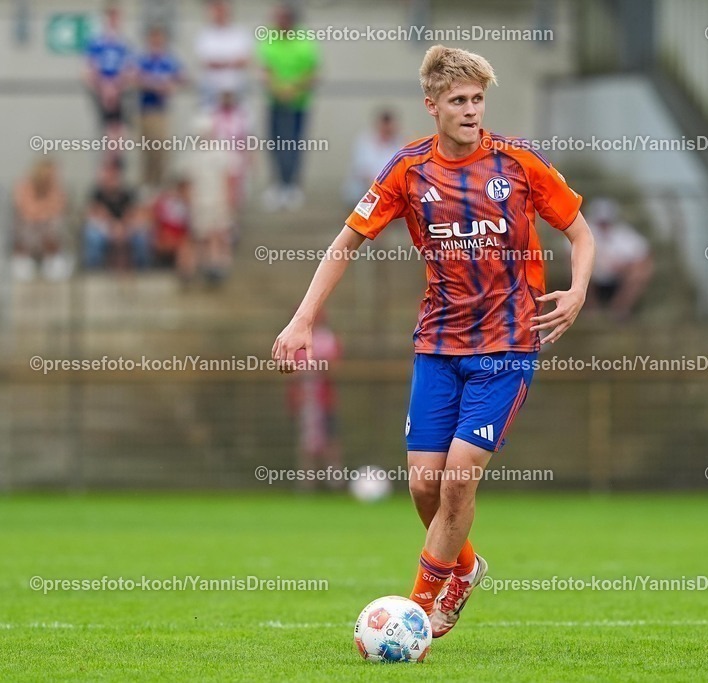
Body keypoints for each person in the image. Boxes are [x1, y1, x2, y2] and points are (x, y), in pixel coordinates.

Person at [272, 45, 595, 638]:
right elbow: (345, 243)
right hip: (439, 347)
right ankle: (465, 568)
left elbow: (578, 229)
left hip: (507, 346)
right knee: (424, 482)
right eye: (459, 101)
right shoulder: (407, 169)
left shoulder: (519, 164)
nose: (472, 111)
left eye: (478, 99)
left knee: (460, 475)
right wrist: (303, 319)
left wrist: (576, 292)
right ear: (433, 107)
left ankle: (415, 613)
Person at [257, 3, 320, 211]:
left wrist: (293, 89)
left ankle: (292, 186)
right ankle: (277, 185)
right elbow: (264, 68)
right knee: (275, 144)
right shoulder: (269, 36)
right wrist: (277, 89)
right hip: (275, 102)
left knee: (293, 145)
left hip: (298, 104)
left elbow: (313, 72)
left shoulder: (304, 39)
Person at [287, 312, 343, 490]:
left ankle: (335, 483)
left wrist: (320, 366)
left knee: (331, 441)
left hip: (324, 400)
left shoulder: (328, 339)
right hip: (306, 401)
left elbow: (335, 367)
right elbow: (290, 369)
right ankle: (307, 484)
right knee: (306, 444)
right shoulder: (295, 339)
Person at [185, 115, 234, 286]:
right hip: (200, 203)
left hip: (217, 201)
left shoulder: (220, 153)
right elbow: (190, 183)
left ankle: (219, 265)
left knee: (219, 233)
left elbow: (227, 179)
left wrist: (228, 201)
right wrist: (191, 203)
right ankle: (204, 266)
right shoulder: (194, 156)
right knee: (201, 235)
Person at [587, 197, 653, 320]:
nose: (604, 226)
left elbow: (643, 257)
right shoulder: (584, 233)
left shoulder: (625, 235)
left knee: (641, 271)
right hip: (592, 280)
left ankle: (620, 309)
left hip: (617, 280)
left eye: (606, 222)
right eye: (601, 222)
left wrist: (625, 267)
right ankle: (591, 310)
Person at [136, 24, 184, 188]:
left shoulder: (168, 60)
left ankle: (161, 184)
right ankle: (147, 184)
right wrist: (154, 84)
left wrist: (170, 86)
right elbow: (134, 78)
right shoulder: (143, 59)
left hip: (162, 111)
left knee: (161, 150)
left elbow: (180, 78)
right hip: (146, 110)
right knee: (147, 149)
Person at [83, 159, 149, 270]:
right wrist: (112, 225)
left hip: (125, 228)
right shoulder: (97, 193)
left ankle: (142, 269)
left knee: (141, 237)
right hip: (106, 229)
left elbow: (135, 213)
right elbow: (94, 213)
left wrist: (122, 226)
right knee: (92, 236)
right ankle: (94, 270)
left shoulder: (128, 193)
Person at [83, 1, 134, 145]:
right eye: (111, 16)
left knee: (120, 132)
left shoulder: (124, 44)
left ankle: (116, 159)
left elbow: (129, 70)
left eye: (116, 16)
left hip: (119, 93)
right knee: (106, 131)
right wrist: (103, 86)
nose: (114, 20)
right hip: (101, 93)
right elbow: (89, 69)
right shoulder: (96, 43)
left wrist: (116, 87)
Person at [12, 158, 70, 281]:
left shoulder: (56, 188)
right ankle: (23, 259)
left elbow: (58, 208)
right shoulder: (24, 186)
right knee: (26, 223)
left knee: (56, 222)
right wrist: (43, 212)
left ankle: (52, 258)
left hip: (46, 234)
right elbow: (26, 210)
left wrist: (40, 212)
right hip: (29, 232)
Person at [194, 0, 251, 109]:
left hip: (235, 89)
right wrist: (230, 62)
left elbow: (244, 60)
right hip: (211, 91)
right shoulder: (205, 34)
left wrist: (222, 62)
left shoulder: (240, 33)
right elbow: (207, 62)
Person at [344, 109, 402, 206]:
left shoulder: (401, 142)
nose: (386, 129)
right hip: (366, 188)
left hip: (391, 190)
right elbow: (362, 171)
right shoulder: (364, 141)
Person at [150, 175, 194, 282]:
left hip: (179, 241)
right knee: (184, 246)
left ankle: (187, 273)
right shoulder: (165, 203)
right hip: (165, 240)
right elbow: (155, 223)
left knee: (187, 246)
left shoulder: (188, 207)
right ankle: (185, 274)